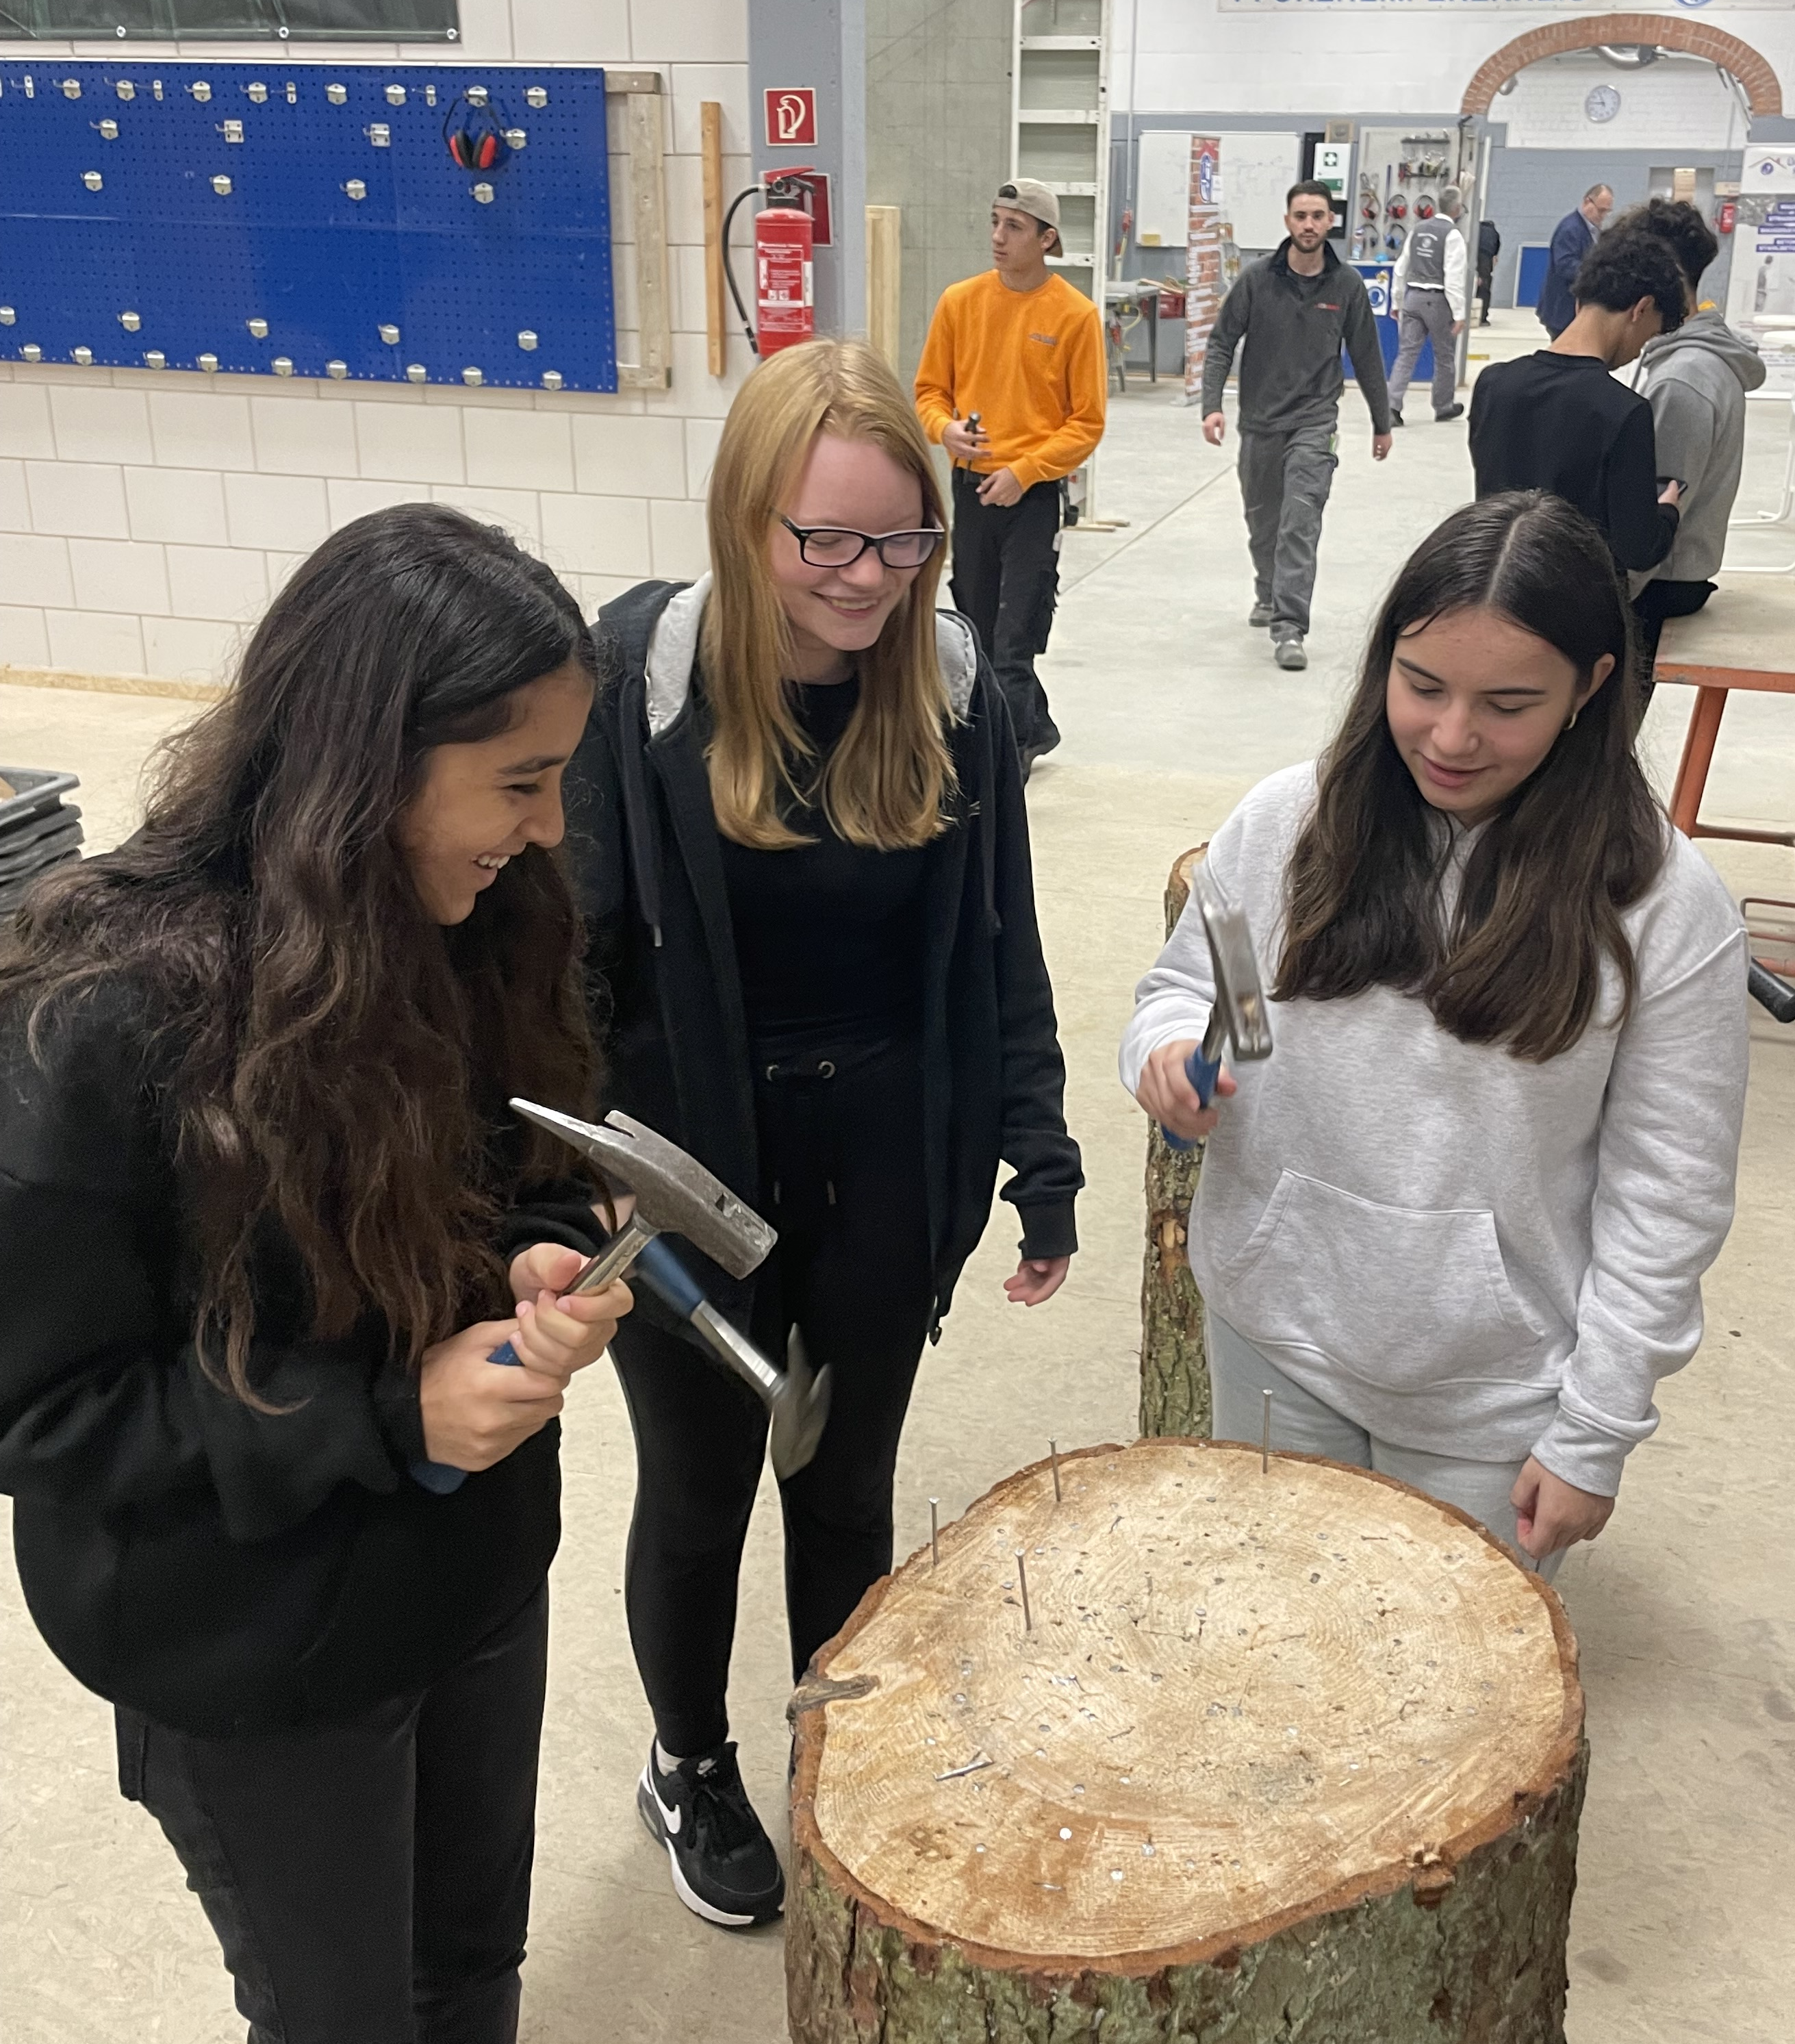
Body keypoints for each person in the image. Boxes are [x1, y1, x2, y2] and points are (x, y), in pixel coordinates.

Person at [0, 505, 634, 2041]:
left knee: (471, 1968)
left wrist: (535, 1248)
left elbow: (520, 1159)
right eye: (520, 783)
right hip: (254, 1654)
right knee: (340, 2014)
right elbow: (44, 1413)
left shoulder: (477, 923)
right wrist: (384, 1415)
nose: (548, 829)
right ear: (373, 760)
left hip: (471, 1582)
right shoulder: (107, 1019)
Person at [566, 338, 1082, 1931]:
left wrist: (1036, 1151)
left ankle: (834, 1758)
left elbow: (1001, 941)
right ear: (745, 520)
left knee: (844, 1488)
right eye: (826, 541)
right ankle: (691, 1761)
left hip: (881, 1157)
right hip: (681, 1169)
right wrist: (561, 1171)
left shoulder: (951, 695)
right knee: (702, 1480)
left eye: (901, 541)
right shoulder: (635, 680)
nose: (867, 579)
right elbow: (564, 957)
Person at [1121, 491, 1747, 1580]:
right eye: (1421, 687)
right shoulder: (1281, 825)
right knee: (1262, 1663)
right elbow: (1198, 995)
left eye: (1507, 703)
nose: (1451, 737)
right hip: (1274, 1341)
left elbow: (1667, 1194)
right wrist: (1170, 1053)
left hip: (1491, 1404)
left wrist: (1594, 1431)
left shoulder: (1662, 904)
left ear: (1592, 689)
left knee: (1445, 1720)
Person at [914, 177, 1106, 775]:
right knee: (974, 624)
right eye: (995, 222)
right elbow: (928, 392)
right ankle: (1033, 724)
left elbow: (1087, 422)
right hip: (970, 488)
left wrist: (1025, 472)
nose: (998, 236)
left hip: (1031, 496)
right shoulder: (960, 302)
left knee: (1016, 633)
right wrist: (943, 430)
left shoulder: (1075, 317)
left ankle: (1007, 758)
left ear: (1047, 239)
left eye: (1014, 226)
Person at [1199, 179, 1393, 673]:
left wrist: (1381, 420)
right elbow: (1222, 343)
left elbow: (1367, 355)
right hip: (1261, 422)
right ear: (1288, 222)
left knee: (1299, 522)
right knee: (1263, 523)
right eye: (1301, 215)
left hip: (1315, 420)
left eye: (1318, 216)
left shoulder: (1346, 285)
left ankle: (1290, 626)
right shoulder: (1257, 280)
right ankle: (1267, 591)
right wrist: (1212, 404)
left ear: (1331, 222)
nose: (1309, 224)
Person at [1471, 226, 1686, 577]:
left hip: (1499, 588)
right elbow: (1638, 548)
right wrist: (1667, 513)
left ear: (1578, 301)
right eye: (1648, 337)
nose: (1637, 352)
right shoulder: (1624, 412)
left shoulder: (1493, 385)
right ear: (1641, 309)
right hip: (1578, 606)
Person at [1624, 197, 1766, 667]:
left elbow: (1655, 515)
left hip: (1661, 581)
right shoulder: (1691, 358)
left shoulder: (1683, 379)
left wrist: (1604, 595)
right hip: (1676, 569)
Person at [1387, 184, 1469, 427]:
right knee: (1444, 355)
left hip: (1412, 298)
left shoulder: (1417, 230)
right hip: (1438, 300)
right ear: (1456, 209)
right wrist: (1459, 313)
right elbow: (1453, 277)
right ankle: (1443, 406)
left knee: (1406, 354)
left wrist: (1397, 301)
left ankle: (1392, 407)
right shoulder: (1453, 236)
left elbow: (1401, 267)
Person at [1538, 182, 1613, 340]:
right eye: (1601, 210)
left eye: (1607, 211)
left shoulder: (1592, 230)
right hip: (1564, 311)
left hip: (1575, 311)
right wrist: (1599, 274)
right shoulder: (1570, 229)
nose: (1603, 215)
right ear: (1587, 202)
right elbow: (1565, 266)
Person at [1476, 216, 1501, 327]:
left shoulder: (1476, 228)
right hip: (1486, 259)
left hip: (1471, 255)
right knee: (1484, 288)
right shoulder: (1494, 233)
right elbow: (1495, 252)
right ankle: (1483, 318)